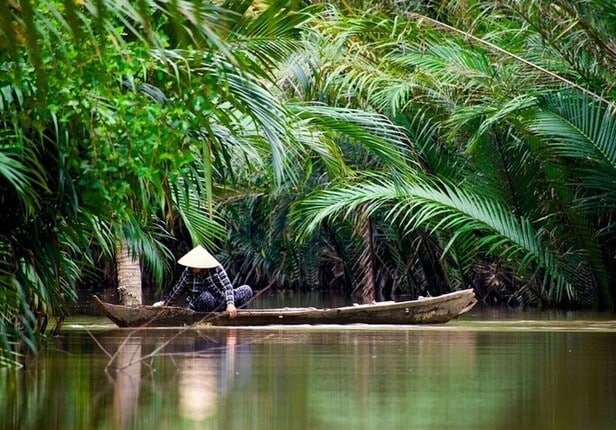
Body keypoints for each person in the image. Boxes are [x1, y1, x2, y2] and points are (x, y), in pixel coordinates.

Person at [153, 245, 253, 318]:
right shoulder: (188, 272)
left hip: (221, 301)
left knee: (246, 290)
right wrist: (166, 304)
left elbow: (227, 287)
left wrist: (230, 304)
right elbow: (177, 289)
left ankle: (235, 313)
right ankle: (208, 319)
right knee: (205, 297)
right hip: (202, 304)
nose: (191, 266)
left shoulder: (216, 268)